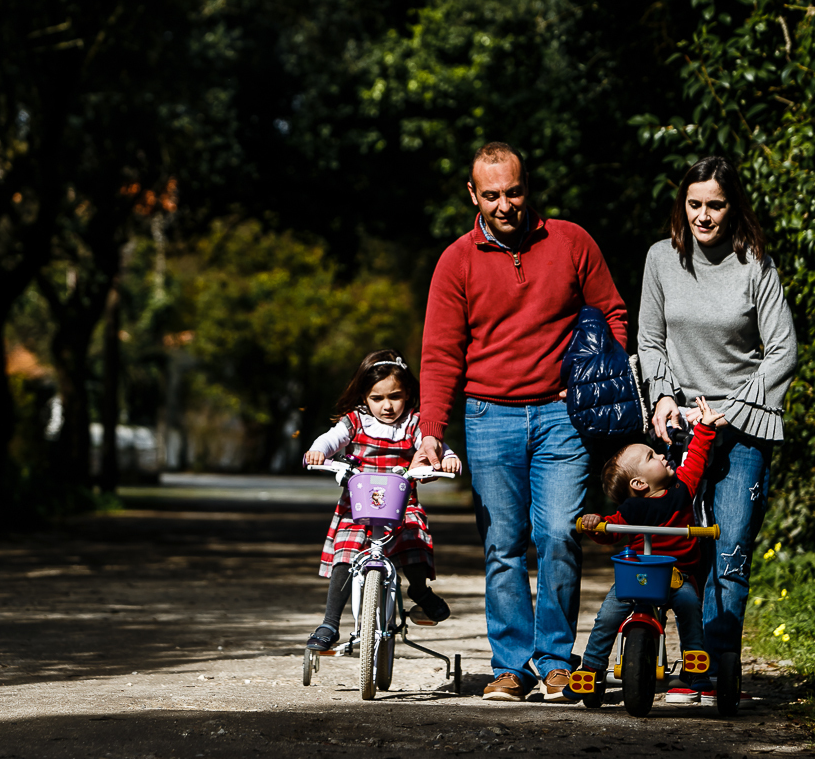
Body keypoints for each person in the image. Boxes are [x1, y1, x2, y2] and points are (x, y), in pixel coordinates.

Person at [416, 142, 628, 703]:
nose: (505, 205)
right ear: (473, 195)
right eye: (492, 195)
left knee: (559, 533)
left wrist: (595, 378)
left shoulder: (571, 241)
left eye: (513, 192)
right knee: (503, 546)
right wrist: (431, 430)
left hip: (562, 415)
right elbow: (440, 352)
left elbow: (612, 313)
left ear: (527, 187)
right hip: (489, 416)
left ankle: (555, 661)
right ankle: (511, 666)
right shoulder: (456, 261)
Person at [637, 155, 798, 705]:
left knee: (729, 552)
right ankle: (683, 669)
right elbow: (650, 339)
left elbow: (783, 350)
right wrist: (663, 395)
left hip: (743, 430)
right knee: (680, 547)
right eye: (695, 204)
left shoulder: (756, 265)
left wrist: (736, 407)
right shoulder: (661, 259)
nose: (704, 215)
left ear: (733, 208)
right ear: (682, 205)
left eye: (716, 205)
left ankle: (714, 669)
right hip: (681, 431)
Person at [303, 349, 462, 652]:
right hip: (358, 506)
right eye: (377, 398)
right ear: (364, 397)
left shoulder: (414, 424)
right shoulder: (355, 422)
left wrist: (448, 458)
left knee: (413, 540)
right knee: (346, 550)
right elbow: (330, 438)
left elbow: (434, 447)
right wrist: (318, 451)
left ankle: (419, 591)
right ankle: (330, 622)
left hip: (401, 505)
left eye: (395, 396)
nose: (387, 406)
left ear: (408, 394)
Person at [576, 397, 725, 704]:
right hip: (636, 578)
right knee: (608, 615)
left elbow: (695, 460)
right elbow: (610, 530)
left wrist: (705, 429)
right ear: (639, 483)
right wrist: (595, 525)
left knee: (689, 607)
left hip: (677, 576)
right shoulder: (630, 511)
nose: (661, 455)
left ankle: (694, 665)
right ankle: (591, 669)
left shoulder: (682, 488)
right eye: (651, 456)